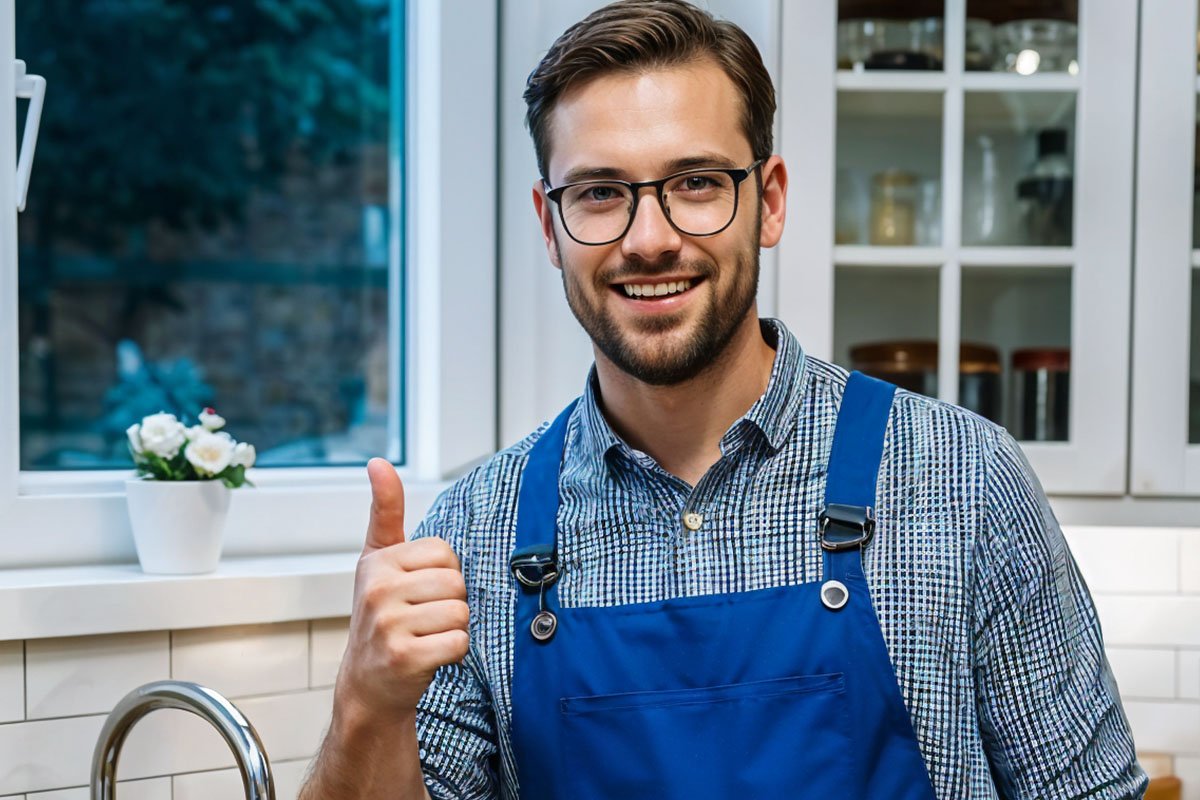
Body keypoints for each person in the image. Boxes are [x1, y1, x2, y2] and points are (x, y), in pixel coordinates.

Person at [299, 2, 1148, 798]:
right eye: (599, 193)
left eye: (697, 182)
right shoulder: (476, 535)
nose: (650, 238)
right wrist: (364, 706)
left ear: (768, 201)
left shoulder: (962, 479)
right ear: (550, 227)